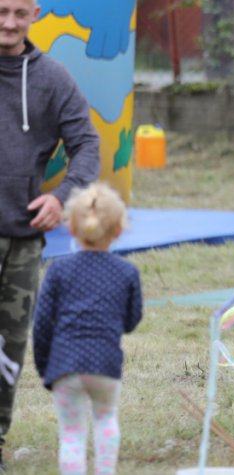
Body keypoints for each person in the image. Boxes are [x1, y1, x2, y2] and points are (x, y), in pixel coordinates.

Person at [0, 0, 100, 468]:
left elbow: (87, 145)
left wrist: (63, 196)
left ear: (34, 15)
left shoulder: (51, 79)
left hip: (22, 244)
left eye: (20, 12)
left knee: (7, 354)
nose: (9, 22)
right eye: (1, 11)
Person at [32, 182, 142, 475]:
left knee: (72, 434)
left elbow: (42, 323)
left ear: (71, 228)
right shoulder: (127, 272)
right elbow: (131, 321)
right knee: (106, 421)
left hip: (65, 366)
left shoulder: (57, 270)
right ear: (119, 229)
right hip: (105, 365)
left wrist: (45, 367)